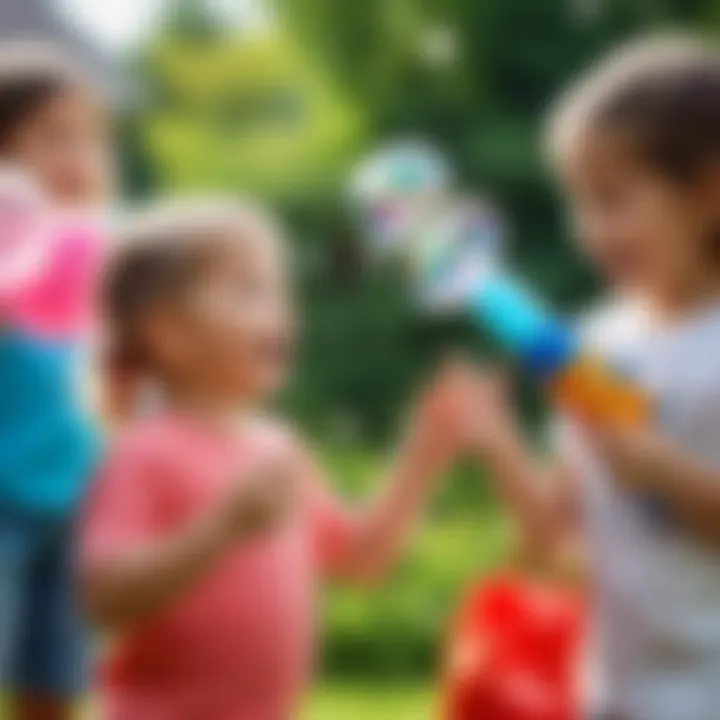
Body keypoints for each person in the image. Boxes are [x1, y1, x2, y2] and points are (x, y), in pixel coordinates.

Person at [78, 198, 481, 720]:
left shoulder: (277, 447)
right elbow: (104, 597)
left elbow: (361, 557)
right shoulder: (147, 450)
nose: (280, 312)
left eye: (279, 293)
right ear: (168, 331)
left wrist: (422, 455)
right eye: (248, 291)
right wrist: (220, 528)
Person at [468, 36, 720, 720]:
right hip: (614, 695)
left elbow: (653, 479)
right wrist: (499, 446)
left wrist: (657, 466)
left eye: (612, 200)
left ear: (708, 193)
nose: (588, 230)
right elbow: (553, 546)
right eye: (577, 204)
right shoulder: (598, 345)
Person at [0, 42, 113, 720]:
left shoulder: (99, 257)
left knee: (55, 685)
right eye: (52, 139)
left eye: (90, 141)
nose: (77, 159)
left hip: (76, 507)